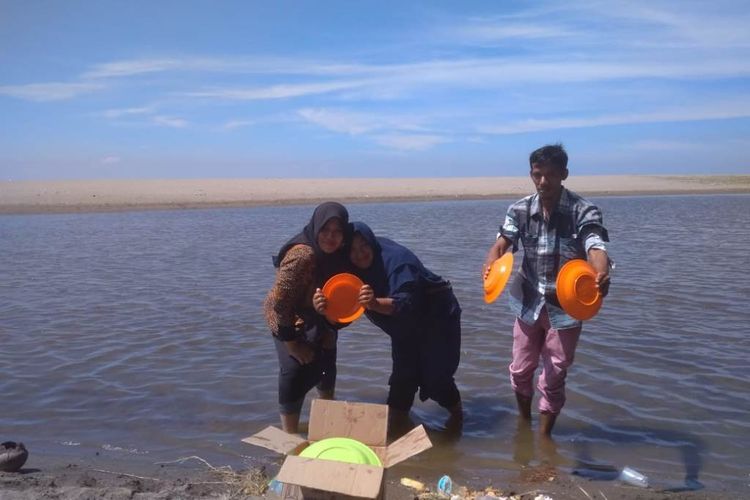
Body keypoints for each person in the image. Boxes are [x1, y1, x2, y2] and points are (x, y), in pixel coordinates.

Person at [483, 144, 611, 437]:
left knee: (554, 376)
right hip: (527, 302)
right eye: (538, 175)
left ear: (564, 174)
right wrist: (491, 259)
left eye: (551, 175)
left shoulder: (583, 210)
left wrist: (600, 270)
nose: (544, 182)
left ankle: (543, 439)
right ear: (531, 174)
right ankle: (524, 422)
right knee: (520, 370)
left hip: (567, 307)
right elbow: (504, 241)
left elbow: (595, 245)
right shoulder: (519, 209)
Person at [315, 221, 462, 426]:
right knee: (402, 380)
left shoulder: (399, 262)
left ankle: (458, 421)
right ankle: (396, 432)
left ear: (372, 242)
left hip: (436, 318)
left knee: (437, 379)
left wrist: (374, 303)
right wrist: (325, 307)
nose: (360, 254)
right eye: (353, 250)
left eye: (364, 246)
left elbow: (406, 304)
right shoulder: (351, 268)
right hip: (403, 328)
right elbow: (343, 314)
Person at [264, 201, 351, 433]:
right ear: (315, 227)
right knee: (294, 370)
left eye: (337, 232)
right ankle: (289, 434)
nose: (330, 238)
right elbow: (281, 304)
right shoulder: (302, 255)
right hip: (287, 316)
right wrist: (292, 345)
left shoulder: (340, 253)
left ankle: (326, 423)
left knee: (326, 363)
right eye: (325, 230)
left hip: (318, 312)